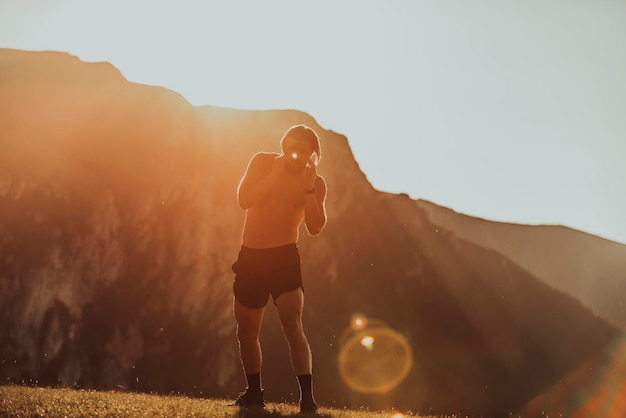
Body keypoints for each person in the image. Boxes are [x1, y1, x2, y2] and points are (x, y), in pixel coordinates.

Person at [231, 124, 327, 414]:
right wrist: (273, 176)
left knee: (291, 323)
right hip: (252, 258)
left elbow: (315, 226)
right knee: (246, 331)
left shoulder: (316, 182)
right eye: (293, 147)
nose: (297, 154)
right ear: (284, 145)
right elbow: (244, 199)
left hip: (285, 258)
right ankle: (254, 393)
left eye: (304, 150)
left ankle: (307, 400)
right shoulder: (262, 162)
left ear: (312, 154)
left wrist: (309, 189)